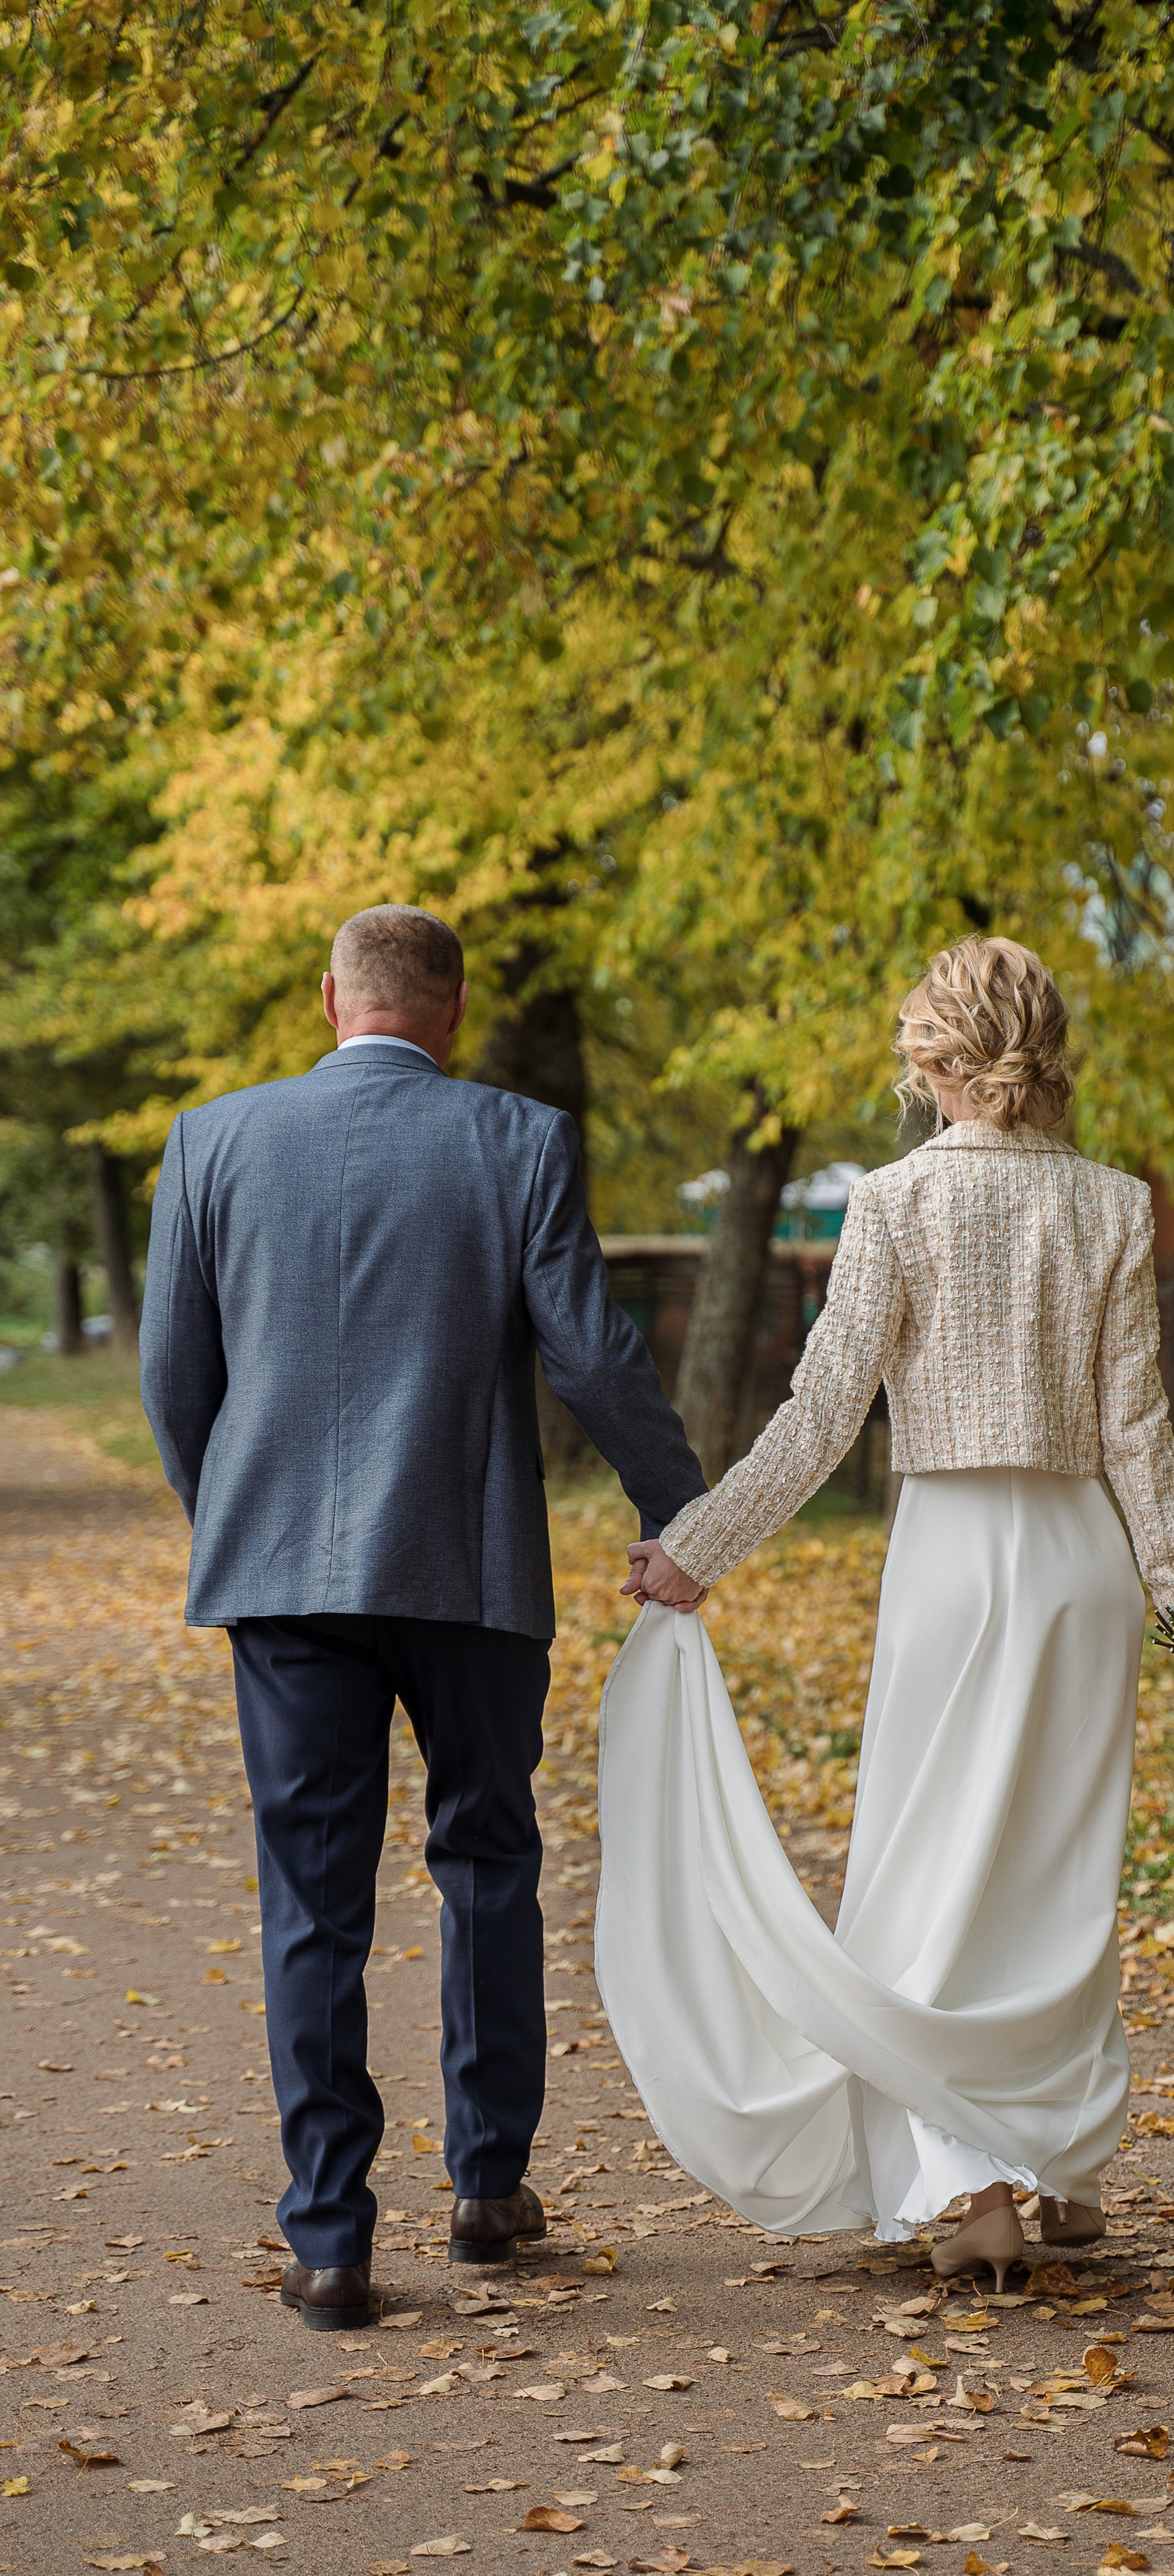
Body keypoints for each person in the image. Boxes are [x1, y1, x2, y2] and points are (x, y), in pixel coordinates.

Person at [602, 934, 1174, 2290]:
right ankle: (1058, 2166)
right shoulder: (1112, 1206)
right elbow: (1137, 1429)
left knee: (939, 1866)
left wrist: (700, 1549)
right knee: (1053, 1878)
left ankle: (974, 2188)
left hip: (951, 1563)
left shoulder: (891, 1204)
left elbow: (823, 1409)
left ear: (941, 1061)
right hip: (1077, 1570)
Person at [140, 904, 706, 2331]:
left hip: (280, 1580)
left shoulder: (211, 1140)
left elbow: (171, 1371)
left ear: (328, 998)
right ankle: (484, 2185)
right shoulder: (515, 1139)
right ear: (449, 1009)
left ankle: (328, 2238)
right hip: (467, 1569)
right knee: (485, 1863)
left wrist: (236, 1518)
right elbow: (591, 1350)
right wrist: (682, 1509)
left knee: (313, 1902)